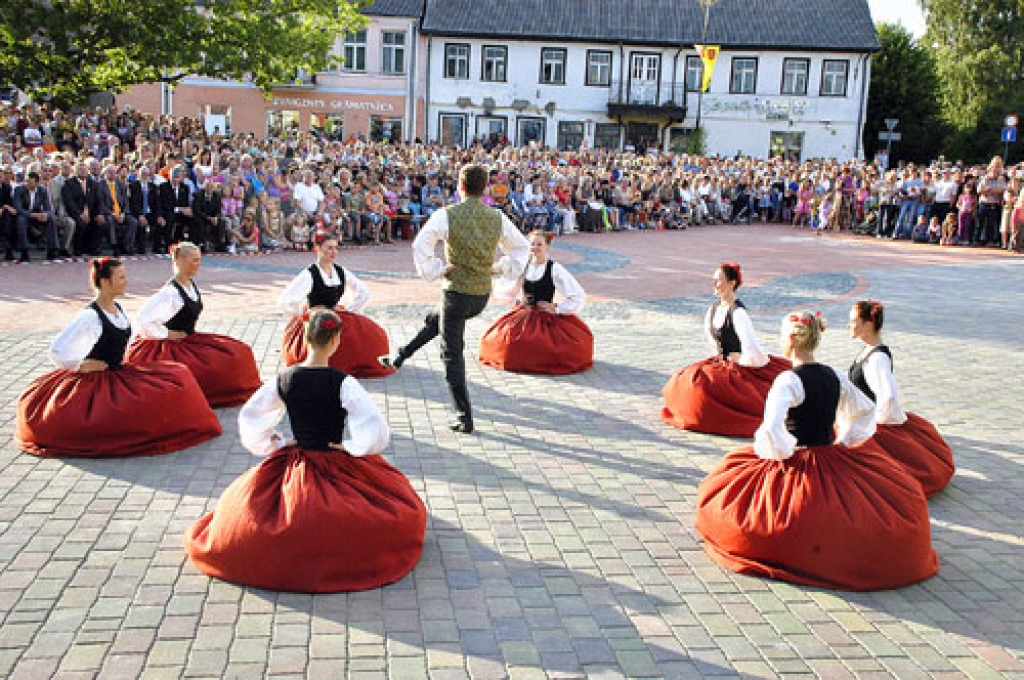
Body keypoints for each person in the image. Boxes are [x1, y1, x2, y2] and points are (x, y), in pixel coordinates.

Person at [184, 309, 426, 593]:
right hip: (335, 458)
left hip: (297, 459)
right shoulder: (343, 382)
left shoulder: (284, 379)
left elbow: (251, 417)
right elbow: (374, 426)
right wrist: (351, 447)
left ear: (305, 339)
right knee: (388, 513)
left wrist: (276, 443)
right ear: (336, 341)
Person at [694, 311, 938, 590]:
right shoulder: (833, 375)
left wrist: (785, 452)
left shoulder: (787, 381)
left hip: (797, 457)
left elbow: (772, 430)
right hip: (830, 454)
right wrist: (844, 441)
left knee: (738, 507)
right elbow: (864, 410)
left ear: (789, 341)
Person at [16, 258, 222, 457]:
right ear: (105, 282)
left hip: (118, 372)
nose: (127, 281)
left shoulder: (117, 309)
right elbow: (58, 349)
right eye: (122, 277)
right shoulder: (90, 316)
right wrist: (81, 365)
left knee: (177, 376)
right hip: (97, 381)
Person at [379, 164, 530, 433]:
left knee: (451, 353)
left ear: (460, 187)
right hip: (481, 294)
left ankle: (464, 416)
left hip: (457, 292)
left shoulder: (446, 214)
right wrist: (500, 268)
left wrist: (436, 270)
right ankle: (401, 355)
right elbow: (521, 248)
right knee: (436, 320)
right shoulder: (496, 217)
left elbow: (419, 244)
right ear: (484, 188)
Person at [126, 242, 262, 408]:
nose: (198, 265)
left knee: (239, 351)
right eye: (194, 261)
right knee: (215, 365)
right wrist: (167, 334)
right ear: (180, 261)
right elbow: (142, 320)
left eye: (199, 260)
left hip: (189, 340)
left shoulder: (189, 285)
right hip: (171, 348)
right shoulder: (170, 293)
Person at [661, 263, 791, 437]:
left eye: (719, 281)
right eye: (713, 280)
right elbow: (712, 339)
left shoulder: (738, 314)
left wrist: (740, 359)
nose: (715, 284)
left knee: (705, 392)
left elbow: (754, 353)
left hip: (742, 368)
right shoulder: (713, 309)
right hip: (722, 363)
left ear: (732, 283)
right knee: (684, 381)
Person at [847, 300, 954, 497]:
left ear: (868, 324)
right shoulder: (867, 351)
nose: (849, 325)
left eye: (853, 321)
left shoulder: (877, 358)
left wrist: (873, 424)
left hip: (874, 422)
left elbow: (888, 396)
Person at [279, 232, 393, 378]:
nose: (334, 252)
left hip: (336, 314)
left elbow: (363, 292)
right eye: (329, 248)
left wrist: (348, 310)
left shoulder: (340, 271)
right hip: (316, 319)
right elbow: (284, 301)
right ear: (318, 249)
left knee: (375, 336)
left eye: (336, 248)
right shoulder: (309, 274)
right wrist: (306, 315)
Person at [478, 230, 592, 375]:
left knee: (553, 346)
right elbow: (503, 288)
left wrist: (557, 308)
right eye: (532, 244)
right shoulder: (524, 266)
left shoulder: (554, 268)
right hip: (525, 313)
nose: (535, 248)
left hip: (546, 316)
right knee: (505, 343)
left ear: (547, 247)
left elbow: (577, 295)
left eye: (539, 244)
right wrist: (515, 301)